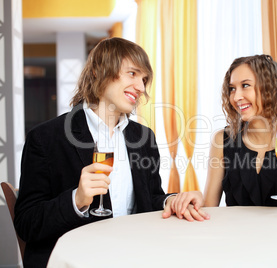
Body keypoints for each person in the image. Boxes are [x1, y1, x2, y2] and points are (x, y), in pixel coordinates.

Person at [14, 37, 208, 268]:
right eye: (133, 74)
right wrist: (76, 200)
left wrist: (174, 200)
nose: (141, 87)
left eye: (144, 79)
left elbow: (151, 197)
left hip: (137, 254)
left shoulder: (143, 137)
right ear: (98, 71)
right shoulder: (46, 138)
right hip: (80, 259)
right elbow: (27, 222)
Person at [170, 55, 277, 214]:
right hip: (239, 238)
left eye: (245, 85)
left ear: (269, 88)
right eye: (232, 89)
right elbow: (209, 207)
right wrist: (196, 199)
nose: (236, 97)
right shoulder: (222, 140)